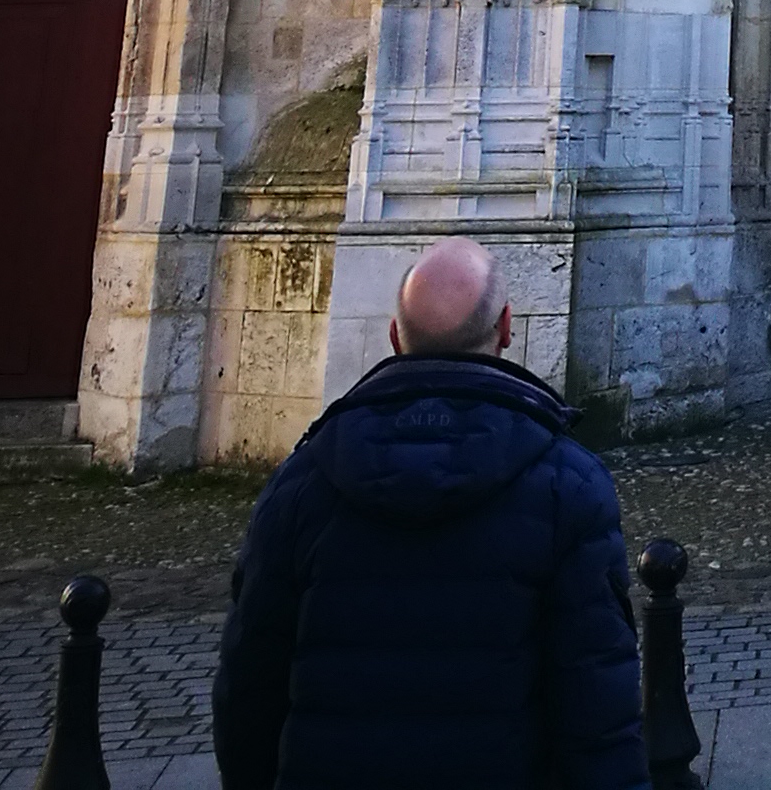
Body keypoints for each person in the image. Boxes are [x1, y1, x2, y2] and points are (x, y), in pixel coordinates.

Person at [210, 234, 645, 790]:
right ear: (506, 328)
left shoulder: (299, 483)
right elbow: (598, 706)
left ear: (394, 336)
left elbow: (248, 689)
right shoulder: (571, 486)